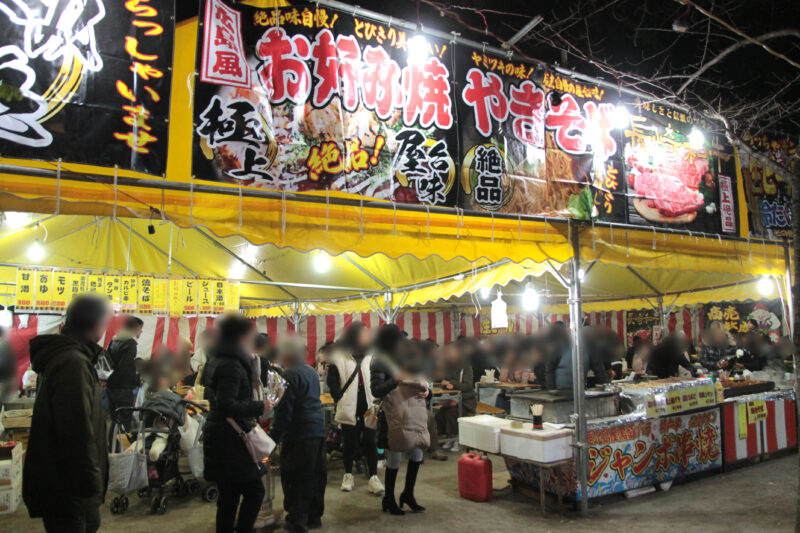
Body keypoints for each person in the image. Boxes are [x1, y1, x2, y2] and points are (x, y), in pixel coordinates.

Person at [23, 294, 111, 533]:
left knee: (90, 523)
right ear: (96, 324)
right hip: (66, 485)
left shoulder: (73, 357)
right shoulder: (72, 362)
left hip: (68, 482)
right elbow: (76, 430)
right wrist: (90, 482)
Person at [202, 313, 268, 533]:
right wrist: (260, 407)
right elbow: (227, 404)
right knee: (254, 491)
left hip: (223, 436)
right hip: (230, 439)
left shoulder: (219, 357)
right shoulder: (232, 363)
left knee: (229, 498)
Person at [269, 337, 327, 532]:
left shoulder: (288, 376)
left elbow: (284, 413)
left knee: (296, 478)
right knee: (315, 476)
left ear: (285, 355)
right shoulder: (310, 372)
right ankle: (314, 516)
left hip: (299, 434)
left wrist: (272, 440)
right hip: (317, 430)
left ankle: (297, 520)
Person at [371, 338, 430, 515]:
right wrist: (395, 381)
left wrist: (428, 391)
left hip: (414, 414)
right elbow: (376, 390)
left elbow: (424, 383)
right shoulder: (380, 360)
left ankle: (408, 494)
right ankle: (389, 497)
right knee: (395, 456)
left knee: (417, 453)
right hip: (394, 416)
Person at [327, 322, 383, 494]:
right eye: (365, 333)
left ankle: (374, 477)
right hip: (348, 404)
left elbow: (378, 375)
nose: (368, 335)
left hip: (369, 403)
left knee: (370, 440)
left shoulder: (373, 353)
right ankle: (348, 475)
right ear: (356, 335)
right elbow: (332, 381)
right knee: (349, 441)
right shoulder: (340, 355)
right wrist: (340, 398)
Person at [105, 315, 143, 431]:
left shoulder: (114, 340)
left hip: (111, 386)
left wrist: (109, 381)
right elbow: (124, 367)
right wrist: (136, 379)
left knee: (115, 420)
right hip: (123, 388)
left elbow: (108, 362)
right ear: (135, 328)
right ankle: (121, 448)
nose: (141, 332)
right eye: (140, 328)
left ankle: (112, 446)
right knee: (124, 421)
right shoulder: (130, 343)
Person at [437, 343, 476, 452]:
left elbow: (468, 385)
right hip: (451, 400)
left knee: (451, 413)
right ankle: (448, 437)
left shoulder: (466, 366)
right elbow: (444, 382)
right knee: (440, 413)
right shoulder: (447, 366)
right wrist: (444, 384)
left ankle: (457, 440)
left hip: (466, 401)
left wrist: (453, 384)